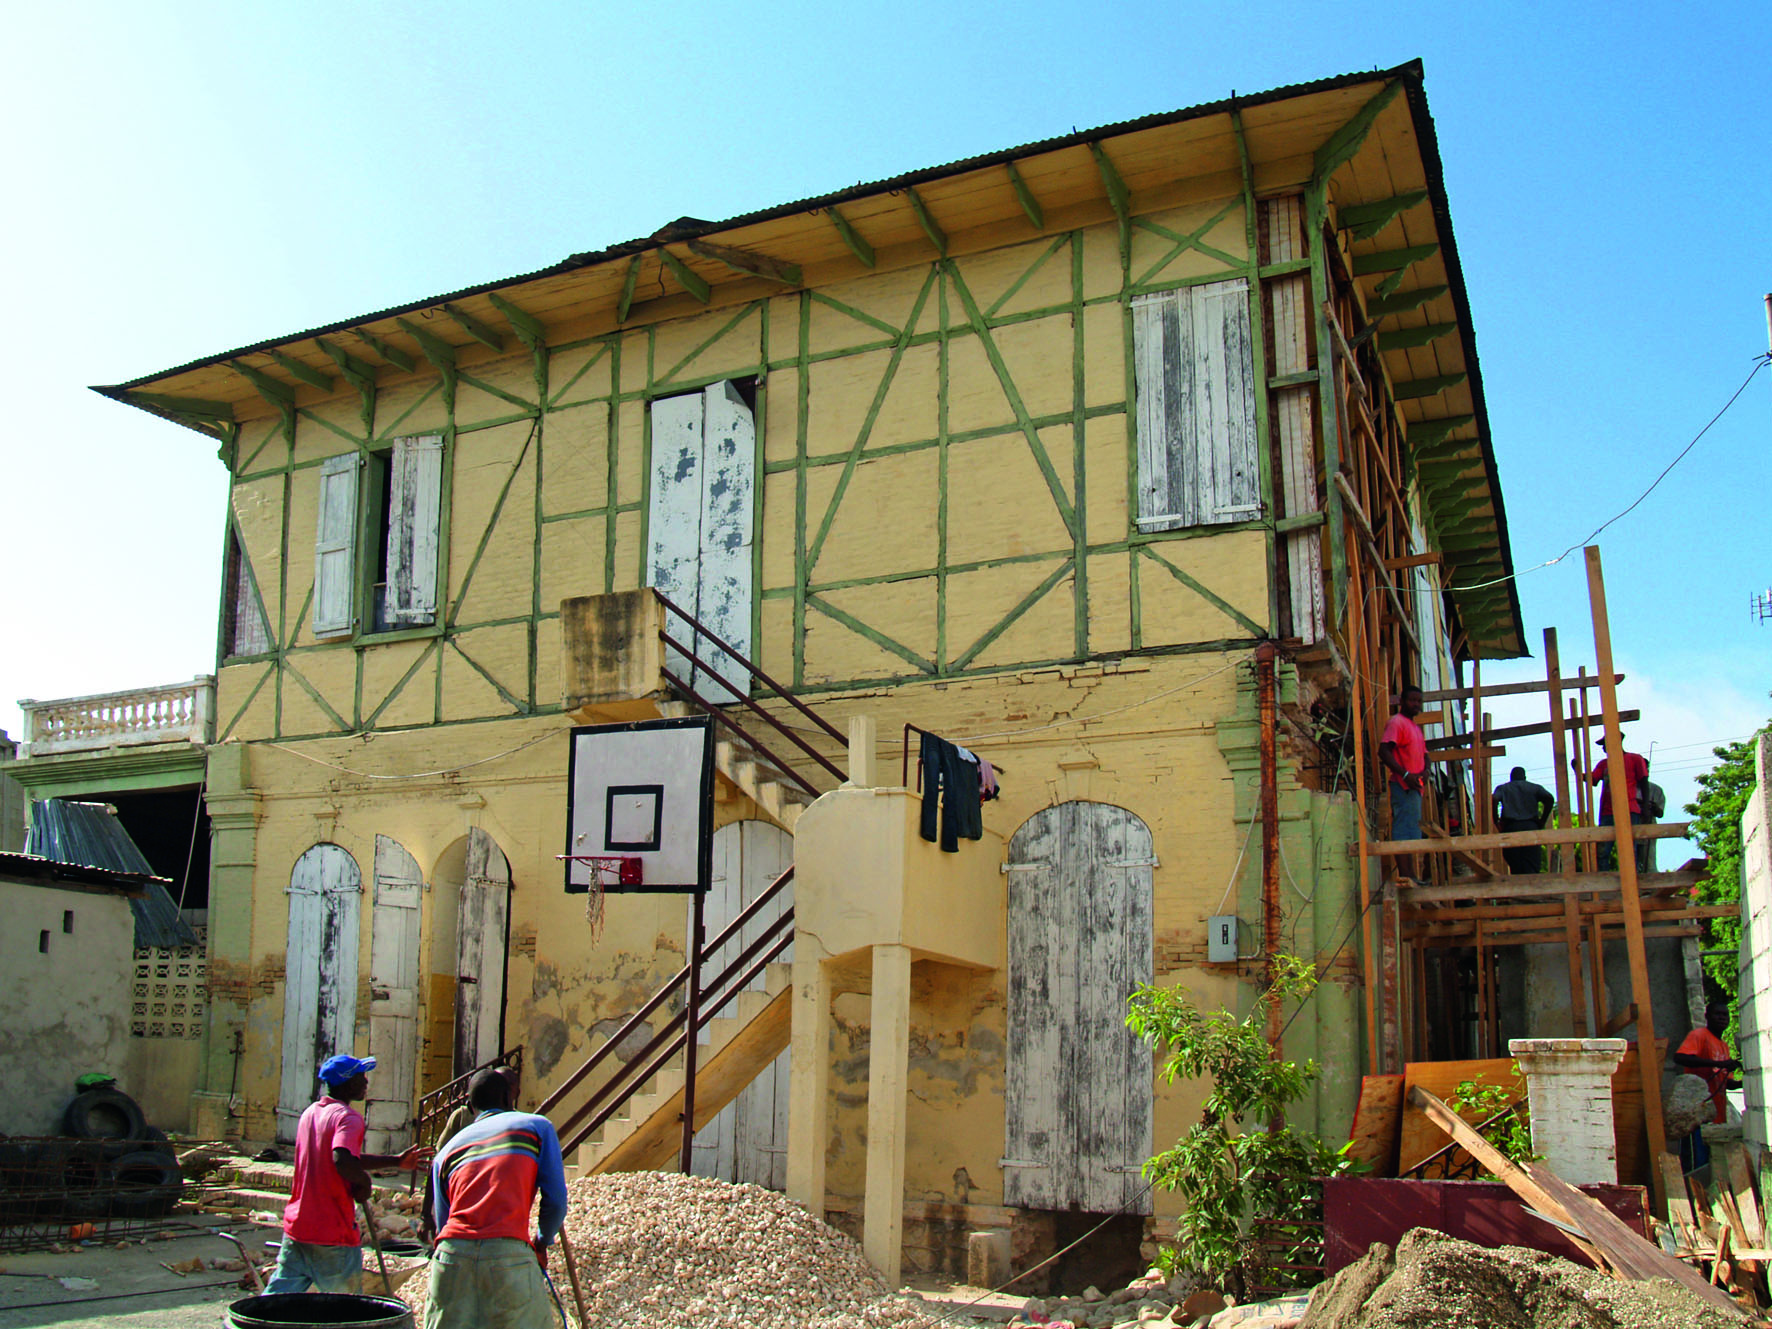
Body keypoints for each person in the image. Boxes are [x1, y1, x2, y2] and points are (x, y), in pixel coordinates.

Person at [268, 1054, 432, 1295]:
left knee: (276, 1301)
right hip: (331, 1231)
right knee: (346, 1306)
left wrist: (396, 1161)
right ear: (347, 1082)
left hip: (298, 1227)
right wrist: (364, 1182)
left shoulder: (311, 1113)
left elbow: (345, 1157)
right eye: (360, 1076)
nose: (366, 1082)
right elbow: (342, 1160)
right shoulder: (348, 1118)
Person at [424, 1067, 569, 1329]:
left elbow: (443, 1223)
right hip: (508, 1256)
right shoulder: (536, 1127)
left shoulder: (446, 1152)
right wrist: (541, 1241)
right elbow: (556, 1201)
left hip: (450, 1258)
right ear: (507, 1098)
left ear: (470, 1107)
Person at [1672, 1002, 1741, 1170]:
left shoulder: (1723, 1046)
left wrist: (1746, 1080)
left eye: (1725, 1015)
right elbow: (1680, 1057)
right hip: (1697, 1116)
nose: (1722, 1018)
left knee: (1711, 1166)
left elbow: (1727, 1083)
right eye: (1718, 1014)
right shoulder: (1699, 1036)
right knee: (1696, 1164)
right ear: (1707, 1016)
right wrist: (1718, 1063)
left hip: (1716, 1118)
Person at [1576, 735, 1650, 870]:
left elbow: (1644, 783)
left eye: (1605, 744)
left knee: (1628, 849)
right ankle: (1604, 878)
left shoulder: (1634, 759)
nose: (1603, 748)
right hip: (1608, 812)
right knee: (1602, 851)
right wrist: (1577, 771)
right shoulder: (1604, 764)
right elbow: (1592, 780)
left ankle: (1631, 879)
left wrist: (1645, 807)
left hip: (1628, 810)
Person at [1379, 684, 1427, 882]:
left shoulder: (1415, 728)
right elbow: (1384, 751)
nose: (1416, 704)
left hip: (1415, 786)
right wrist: (1405, 774)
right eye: (1412, 700)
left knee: (1410, 829)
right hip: (1403, 785)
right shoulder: (1397, 723)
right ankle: (1406, 875)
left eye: (1419, 701)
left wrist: (1426, 772)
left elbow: (1425, 755)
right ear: (1401, 701)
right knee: (1402, 829)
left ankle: (1410, 875)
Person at [1492, 767, 1555, 875]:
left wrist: (1496, 821)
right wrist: (1542, 820)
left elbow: (1494, 799)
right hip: (1530, 828)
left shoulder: (1503, 788)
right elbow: (1549, 798)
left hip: (1511, 828)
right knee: (1531, 865)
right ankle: (1531, 885)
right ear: (1524, 777)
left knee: (1515, 864)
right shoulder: (1534, 788)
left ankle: (1518, 884)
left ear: (1511, 778)